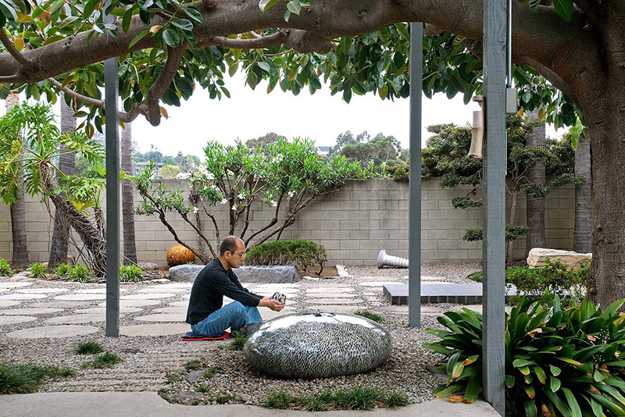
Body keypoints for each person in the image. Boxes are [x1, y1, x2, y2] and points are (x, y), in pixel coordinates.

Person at [186, 236, 284, 337]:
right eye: (240, 254)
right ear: (227, 254)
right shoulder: (214, 272)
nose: (243, 258)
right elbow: (238, 295)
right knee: (238, 307)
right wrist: (266, 304)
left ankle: (256, 333)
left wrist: (265, 299)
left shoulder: (225, 269)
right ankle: (255, 334)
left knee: (248, 303)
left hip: (212, 319)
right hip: (201, 326)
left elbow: (242, 291)